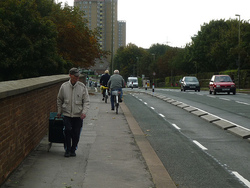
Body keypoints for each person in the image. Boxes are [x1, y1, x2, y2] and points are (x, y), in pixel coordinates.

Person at [57, 67, 90, 157]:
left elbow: (86, 101)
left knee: (76, 133)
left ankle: (73, 149)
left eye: (78, 76)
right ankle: (67, 149)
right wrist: (59, 111)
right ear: (70, 75)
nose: (77, 78)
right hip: (67, 113)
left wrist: (84, 112)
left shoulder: (82, 87)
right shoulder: (64, 86)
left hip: (78, 115)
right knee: (67, 131)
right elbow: (59, 99)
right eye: (75, 76)